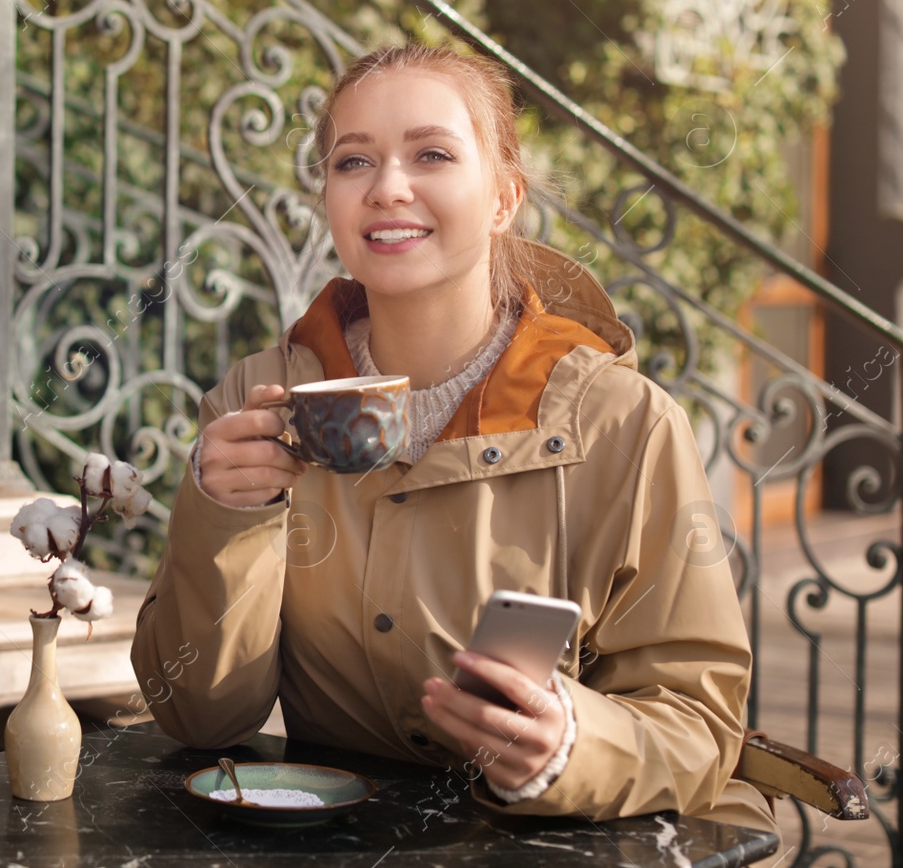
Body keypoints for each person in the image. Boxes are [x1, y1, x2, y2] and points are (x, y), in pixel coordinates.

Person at [130, 43, 776, 832]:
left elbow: (697, 721)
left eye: (431, 153)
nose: (388, 188)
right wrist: (223, 514)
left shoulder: (627, 425)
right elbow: (198, 718)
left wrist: (575, 745)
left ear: (504, 197)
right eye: (352, 161)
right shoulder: (257, 402)